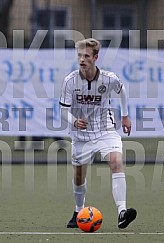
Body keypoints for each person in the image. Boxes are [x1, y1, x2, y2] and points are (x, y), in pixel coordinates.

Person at [59, 38, 137, 229]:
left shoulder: (109, 79)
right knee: (79, 176)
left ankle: (122, 212)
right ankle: (78, 211)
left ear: (95, 58)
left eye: (86, 56)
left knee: (116, 162)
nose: (82, 59)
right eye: (79, 55)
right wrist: (74, 121)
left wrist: (125, 116)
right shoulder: (70, 81)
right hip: (80, 136)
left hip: (105, 131)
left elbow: (122, 91)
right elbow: (62, 111)